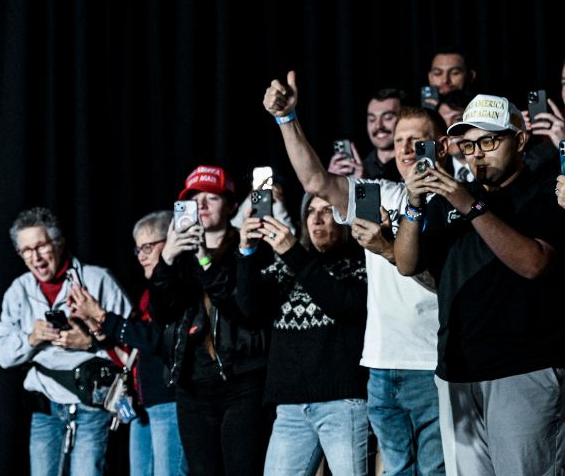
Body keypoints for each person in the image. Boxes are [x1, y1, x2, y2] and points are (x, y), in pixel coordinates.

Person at [262, 71, 447, 476]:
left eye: (418, 140)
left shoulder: (455, 204)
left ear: (442, 145)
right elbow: (314, 181)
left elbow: (442, 281)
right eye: (399, 141)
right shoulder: (376, 194)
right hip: (381, 365)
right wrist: (287, 119)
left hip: (431, 363)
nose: (407, 149)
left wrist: (387, 245)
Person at [394, 94, 565, 475]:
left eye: (489, 142)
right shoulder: (448, 199)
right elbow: (407, 264)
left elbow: (534, 264)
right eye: (469, 145)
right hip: (457, 372)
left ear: (520, 140)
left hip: (523, 370)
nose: (477, 155)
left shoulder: (545, 191)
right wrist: (414, 203)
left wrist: (469, 205)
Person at [147, 166, 270, 476]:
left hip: (241, 382)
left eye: (210, 198)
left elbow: (244, 310)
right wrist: (167, 260)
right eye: (193, 200)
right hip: (193, 386)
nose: (201, 206)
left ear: (230, 205)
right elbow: (161, 314)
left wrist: (204, 258)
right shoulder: (180, 255)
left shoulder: (249, 248)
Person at [237, 195, 369, 476]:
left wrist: (293, 252)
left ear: (345, 218)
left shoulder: (359, 262)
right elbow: (250, 311)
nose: (317, 219)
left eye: (327, 211)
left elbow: (345, 305)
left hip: (341, 402)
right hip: (290, 407)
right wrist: (246, 254)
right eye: (310, 211)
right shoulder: (288, 265)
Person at [0, 207, 132, 476]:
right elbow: (1, 355)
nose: (35, 257)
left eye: (41, 246)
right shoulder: (18, 290)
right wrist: (31, 338)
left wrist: (90, 342)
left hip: (92, 406)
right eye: (26, 251)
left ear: (57, 242)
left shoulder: (96, 279)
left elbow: (133, 343)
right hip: (45, 409)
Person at [68, 211, 189, 476]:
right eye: (138, 249)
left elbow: (156, 340)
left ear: (171, 242)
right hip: (143, 405)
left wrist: (102, 316)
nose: (141, 256)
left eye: (148, 247)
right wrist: (95, 326)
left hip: (170, 402)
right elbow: (134, 353)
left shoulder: (180, 285)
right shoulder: (149, 293)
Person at [330, 89, 404, 182]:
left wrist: (366, 185)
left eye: (387, 118)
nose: (378, 125)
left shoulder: (413, 166)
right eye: (372, 119)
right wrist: (330, 182)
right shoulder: (357, 169)